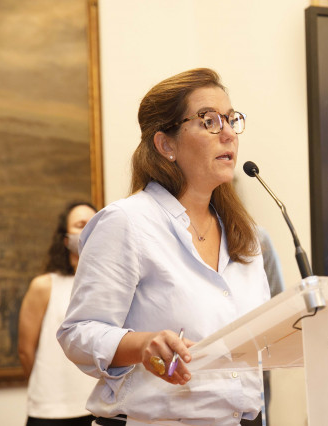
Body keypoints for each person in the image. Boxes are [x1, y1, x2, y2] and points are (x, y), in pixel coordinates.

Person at [57, 68, 271, 426]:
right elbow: (77, 333)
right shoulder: (128, 222)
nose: (230, 134)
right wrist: (141, 345)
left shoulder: (244, 235)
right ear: (166, 144)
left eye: (232, 120)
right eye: (210, 121)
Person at [18, 201, 98, 426]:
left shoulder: (110, 285)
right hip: (52, 411)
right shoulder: (44, 286)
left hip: (99, 407)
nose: (88, 230)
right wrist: (48, 388)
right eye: (80, 225)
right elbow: (25, 351)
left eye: (93, 223)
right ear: (65, 239)